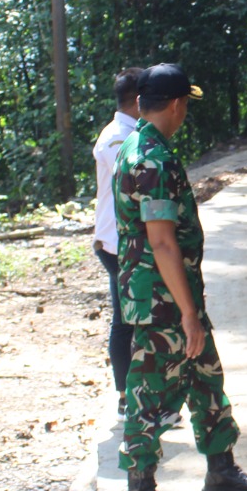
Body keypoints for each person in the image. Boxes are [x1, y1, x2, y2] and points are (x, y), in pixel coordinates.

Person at [114, 64, 247, 491]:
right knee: (149, 392)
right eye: (186, 104)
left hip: (173, 295)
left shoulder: (141, 146)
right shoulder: (152, 160)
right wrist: (187, 312)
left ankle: (221, 468)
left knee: (205, 377)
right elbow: (162, 243)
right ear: (177, 104)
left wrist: (191, 309)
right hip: (161, 301)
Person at [93, 67, 142, 419]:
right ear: (139, 100)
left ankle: (140, 395)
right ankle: (126, 397)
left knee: (132, 318)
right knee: (125, 320)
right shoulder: (117, 139)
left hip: (121, 239)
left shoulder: (130, 132)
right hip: (117, 242)